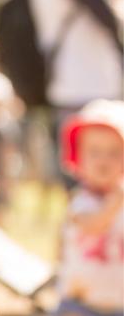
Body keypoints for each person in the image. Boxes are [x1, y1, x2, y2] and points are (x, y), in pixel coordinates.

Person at [55, 99, 124, 316]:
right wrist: (116, 201)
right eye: (94, 152)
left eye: (114, 153)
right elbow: (93, 225)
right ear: (79, 158)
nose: (104, 160)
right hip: (80, 305)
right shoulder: (81, 201)